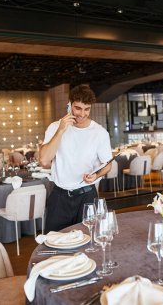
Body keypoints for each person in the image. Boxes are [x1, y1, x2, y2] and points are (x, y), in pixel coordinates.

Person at [39, 84, 112, 232]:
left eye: (87, 109)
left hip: (88, 197)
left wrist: (96, 175)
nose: (82, 114)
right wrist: (61, 130)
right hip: (60, 197)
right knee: (54, 242)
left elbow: (108, 164)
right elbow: (44, 160)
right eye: (78, 108)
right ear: (69, 105)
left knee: (89, 243)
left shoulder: (100, 132)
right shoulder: (54, 127)